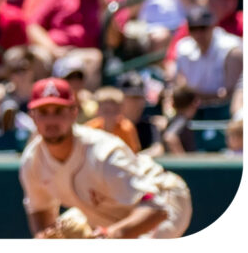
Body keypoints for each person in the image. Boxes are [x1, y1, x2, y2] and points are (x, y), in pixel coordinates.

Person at [19, 78, 192, 239]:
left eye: (58, 111)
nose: (51, 120)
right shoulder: (32, 160)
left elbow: (156, 211)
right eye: (43, 112)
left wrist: (110, 236)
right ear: (33, 116)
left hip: (163, 198)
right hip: (110, 214)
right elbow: (40, 211)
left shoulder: (103, 152)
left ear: (73, 112)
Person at [28, 0, 124, 81]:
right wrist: (53, 50)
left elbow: (113, 41)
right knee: (35, 57)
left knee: (94, 59)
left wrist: (104, 6)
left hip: (86, 54)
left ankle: (86, 101)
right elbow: (33, 26)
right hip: (54, 50)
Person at [167, 6, 242, 116]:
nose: (198, 34)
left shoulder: (232, 49)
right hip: (193, 109)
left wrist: (193, 94)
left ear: (213, 26)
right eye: (193, 28)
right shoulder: (183, 47)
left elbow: (230, 95)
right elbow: (178, 85)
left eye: (202, 27)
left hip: (225, 111)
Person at [115, 72, 164, 157]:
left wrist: (135, 158)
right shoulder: (111, 123)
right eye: (132, 98)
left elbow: (158, 149)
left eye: (139, 98)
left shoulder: (148, 125)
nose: (136, 103)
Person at [86, 86, 141, 153]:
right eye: (106, 111)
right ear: (98, 111)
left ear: (121, 111)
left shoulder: (126, 128)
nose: (110, 115)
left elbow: (133, 153)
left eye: (115, 111)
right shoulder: (90, 128)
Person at [162, 85, 198, 154]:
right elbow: (169, 137)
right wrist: (183, 161)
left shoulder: (179, 119)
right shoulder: (181, 120)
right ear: (193, 104)